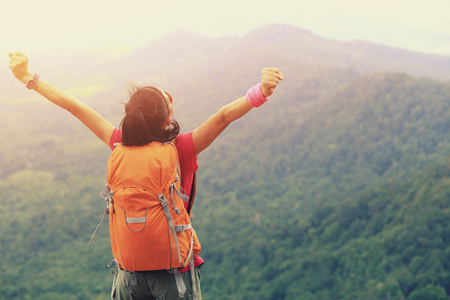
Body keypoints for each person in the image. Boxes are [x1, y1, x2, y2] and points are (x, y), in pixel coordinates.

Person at [8, 51, 283, 300]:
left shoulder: (118, 141)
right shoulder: (182, 147)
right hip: (173, 275)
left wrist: (27, 77)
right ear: (167, 119)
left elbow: (75, 107)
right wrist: (261, 91)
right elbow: (224, 116)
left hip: (129, 275)